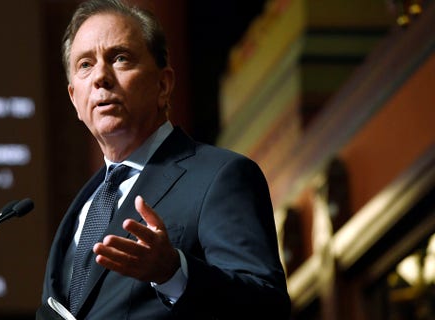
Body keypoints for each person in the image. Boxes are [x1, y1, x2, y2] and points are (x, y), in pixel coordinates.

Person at [38, 0, 291, 318]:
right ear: (75, 98)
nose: (100, 76)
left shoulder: (219, 177)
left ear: (163, 84)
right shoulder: (81, 208)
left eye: (120, 58)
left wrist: (174, 273)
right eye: (85, 65)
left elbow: (267, 308)